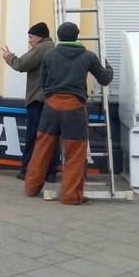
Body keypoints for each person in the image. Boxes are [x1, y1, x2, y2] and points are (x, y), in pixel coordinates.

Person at [24, 22, 113, 205]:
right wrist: (108, 67)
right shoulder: (88, 56)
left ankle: (31, 188)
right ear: (76, 36)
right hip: (75, 110)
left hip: (51, 108)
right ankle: (71, 196)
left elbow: (43, 82)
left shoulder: (49, 54)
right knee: (75, 155)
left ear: (58, 36)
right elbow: (104, 79)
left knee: (41, 149)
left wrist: (52, 95)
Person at [1, 21, 59, 182]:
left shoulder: (41, 48)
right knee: (51, 136)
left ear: (40, 37)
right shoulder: (53, 47)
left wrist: (8, 57)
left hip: (38, 99)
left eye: (31, 37)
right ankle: (51, 172)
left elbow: (22, 64)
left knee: (33, 135)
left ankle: (27, 170)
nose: (29, 40)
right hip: (52, 100)